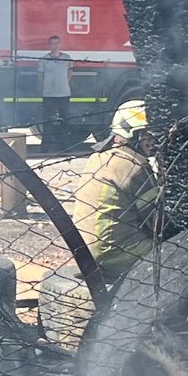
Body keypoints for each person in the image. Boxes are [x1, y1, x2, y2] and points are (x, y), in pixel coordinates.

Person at [69, 98, 162, 282]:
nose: (153, 141)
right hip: (114, 253)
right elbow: (155, 221)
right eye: (146, 135)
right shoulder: (134, 167)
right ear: (131, 135)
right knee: (177, 248)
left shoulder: (99, 158)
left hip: (85, 253)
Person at [38, 34, 75, 149]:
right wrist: (43, 89)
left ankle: (65, 146)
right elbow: (40, 76)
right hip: (49, 94)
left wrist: (64, 85)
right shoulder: (44, 59)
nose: (54, 46)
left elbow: (70, 73)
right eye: (52, 43)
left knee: (65, 120)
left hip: (64, 94)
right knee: (48, 122)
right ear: (49, 45)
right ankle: (45, 147)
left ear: (59, 44)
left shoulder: (67, 57)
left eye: (56, 43)